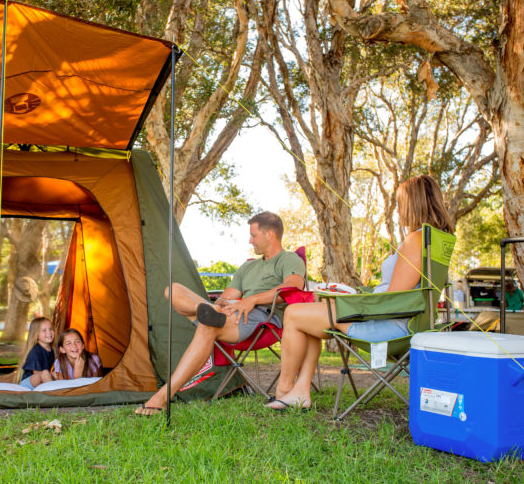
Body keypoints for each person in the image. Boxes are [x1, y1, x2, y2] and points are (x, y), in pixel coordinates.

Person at [266, 175, 454, 411]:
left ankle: (283, 391)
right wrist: (355, 294)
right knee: (310, 316)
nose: (397, 210)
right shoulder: (433, 239)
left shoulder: (415, 239)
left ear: (414, 203)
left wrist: (352, 301)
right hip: (402, 322)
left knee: (294, 313)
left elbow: (394, 301)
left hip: (390, 327)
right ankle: (301, 390)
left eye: (400, 203)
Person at [134, 211, 306, 416]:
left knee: (209, 325)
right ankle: (207, 312)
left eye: (254, 235)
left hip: (262, 317)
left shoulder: (289, 259)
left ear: (270, 234)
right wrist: (224, 304)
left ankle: (161, 397)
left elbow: (293, 286)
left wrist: (252, 299)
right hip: (230, 312)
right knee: (172, 289)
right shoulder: (248, 266)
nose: (250, 240)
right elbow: (227, 296)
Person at [17, 317, 56, 389]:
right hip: (28, 383)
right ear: (36, 334)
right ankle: (54, 394)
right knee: (45, 373)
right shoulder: (35, 351)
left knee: (56, 374)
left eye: (50, 329)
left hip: (42, 378)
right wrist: (50, 376)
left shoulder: (52, 349)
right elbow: (38, 374)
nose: (49, 332)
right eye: (44, 330)